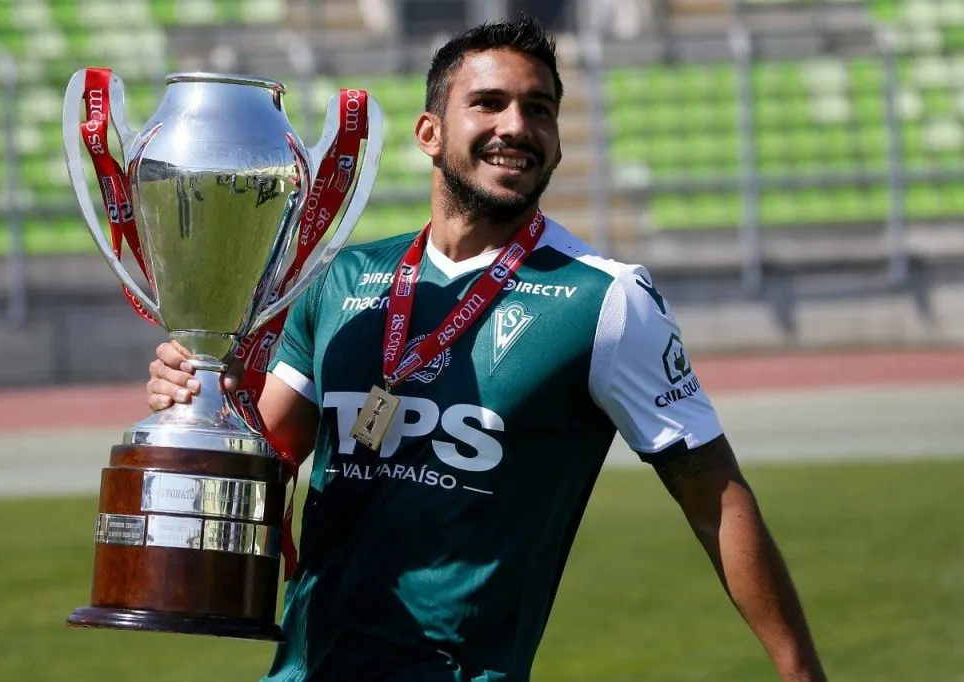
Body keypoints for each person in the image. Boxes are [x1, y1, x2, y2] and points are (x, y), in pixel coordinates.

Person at [146, 16, 827, 682]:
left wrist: (800, 672)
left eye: (540, 109)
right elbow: (272, 457)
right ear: (430, 133)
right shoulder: (341, 280)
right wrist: (207, 399)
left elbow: (716, 500)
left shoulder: (606, 300)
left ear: (558, 144)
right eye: (489, 104)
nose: (516, 127)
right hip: (303, 667)